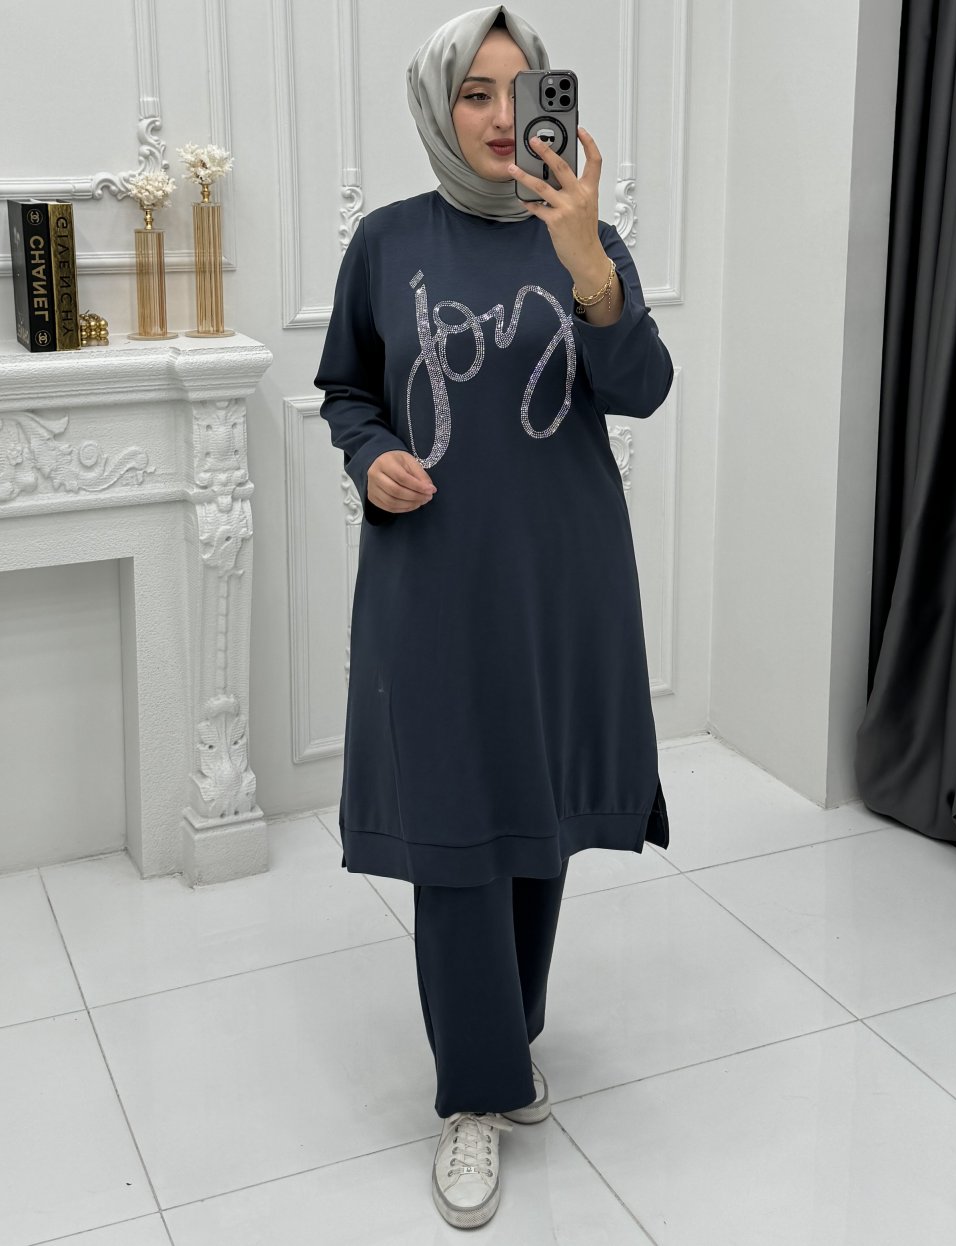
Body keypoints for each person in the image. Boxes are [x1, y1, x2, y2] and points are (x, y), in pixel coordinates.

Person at [313, 4, 673, 1230]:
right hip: (432, 580)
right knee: (452, 822)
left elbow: (642, 389)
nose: (502, 116)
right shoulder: (385, 241)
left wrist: (586, 263)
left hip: (563, 576)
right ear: (438, 106)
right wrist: (368, 456)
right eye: (475, 92)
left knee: (535, 811)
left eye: (521, 92)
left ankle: (505, 1040)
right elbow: (346, 388)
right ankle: (473, 1092)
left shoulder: (587, 238)